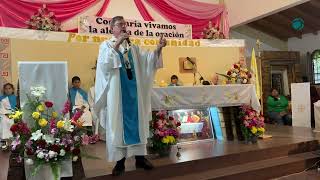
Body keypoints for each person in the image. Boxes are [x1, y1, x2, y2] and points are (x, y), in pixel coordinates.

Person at [94, 16, 166, 176]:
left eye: (125, 25)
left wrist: (159, 48)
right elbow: (105, 66)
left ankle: (140, 158)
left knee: (138, 123)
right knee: (118, 125)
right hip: (117, 95)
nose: (124, 27)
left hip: (135, 95)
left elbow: (149, 61)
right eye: (120, 25)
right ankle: (120, 162)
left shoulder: (133, 48)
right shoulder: (106, 45)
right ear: (112, 29)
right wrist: (118, 42)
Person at [0, 83, 17, 150]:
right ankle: (4, 143)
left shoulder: (16, 98)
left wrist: (13, 114)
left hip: (13, 114)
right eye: (6, 88)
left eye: (9, 88)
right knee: (3, 122)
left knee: (13, 124)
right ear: (4, 90)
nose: (7, 90)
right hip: (3, 114)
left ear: (12, 90)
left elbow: (16, 108)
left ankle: (13, 144)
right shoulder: (1, 98)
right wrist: (6, 113)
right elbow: (1, 108)